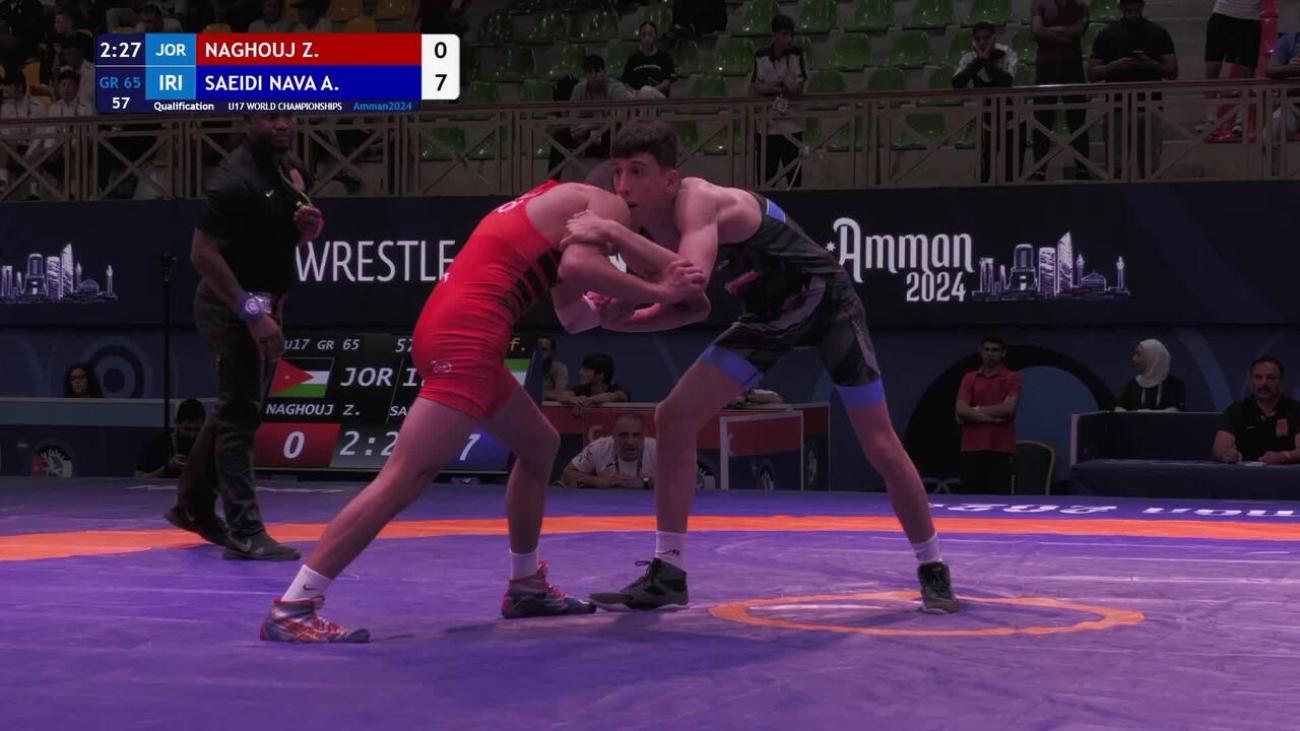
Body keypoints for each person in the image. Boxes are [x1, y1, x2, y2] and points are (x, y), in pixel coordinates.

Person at [260, 177, 708, 642]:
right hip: (467, 338)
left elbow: (574, 318)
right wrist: (660, 289)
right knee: (403, 479)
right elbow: (580, 265)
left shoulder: (549, 204)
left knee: (539, 445)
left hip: (454, 327)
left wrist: (623, 305)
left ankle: (526, 586)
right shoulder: (604, 203)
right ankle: (294, 606)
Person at [562, 119, 961, 614]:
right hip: (769, 319)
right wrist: (625, 318)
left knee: (880, 443)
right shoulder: (645, 233)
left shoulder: (696, 201)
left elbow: (691, 279)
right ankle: (669, 573)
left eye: (638, 171)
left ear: (669, 180)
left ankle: (933, 567)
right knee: (673, 417)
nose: (623, 185)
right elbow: (691, 309)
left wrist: (612, 233)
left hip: (828, 306)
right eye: (619, 171)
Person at [163, 113, 322, 560]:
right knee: (240, 414)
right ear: (248, 121)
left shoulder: (291, 170)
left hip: (268, 301)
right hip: (230, 305)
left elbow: (283, 240)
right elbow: (202, 255)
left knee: (237, 406)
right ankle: (245, 531)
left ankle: (191, 504)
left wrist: (306, 230)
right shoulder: (232, 181)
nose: (281, 125)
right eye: (270, 117)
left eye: (287, 116)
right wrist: (253, 315)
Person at [954, 337, 1021, 493]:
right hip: (971, 447)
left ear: (1003, 353)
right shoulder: (969, 378)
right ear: (981, 351)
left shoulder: (1012, 377)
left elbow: (1008, 409)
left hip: (1001, 448)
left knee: (999, 499)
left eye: (995, 350)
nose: (990, 353)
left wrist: (975, 410)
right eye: (987, 349)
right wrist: (994, 418)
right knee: (970, 498)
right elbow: (961, 410)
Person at [1212, 356, 1300, 465]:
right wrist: (1227, 454)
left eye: (1271, 378)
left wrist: (1285, 456)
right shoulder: (1236, 411)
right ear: (1250, 382)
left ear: (1281, 382)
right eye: (1258, 377)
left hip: (1286, 473)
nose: (1264, 383)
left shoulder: (1296, 410)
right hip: (1245, 474)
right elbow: (1219, 449)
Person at [562, 412, 657, 489]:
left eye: (636, 435)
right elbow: (567, 474)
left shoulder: (657, 449)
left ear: (644, 434)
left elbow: (667, 480)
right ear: (614, 435)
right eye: (623, 435)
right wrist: (598, 481)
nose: (630, 442)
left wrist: (645, 482)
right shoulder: (598, 447)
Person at [135, 399, 206, 479]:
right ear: (177, 423)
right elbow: (138, 478)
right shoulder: (158, 444)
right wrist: (168, 468)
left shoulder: (211, 444)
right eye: (187, 429)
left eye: (197, 429)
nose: (192, 435)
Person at [1115, 339, 1185, 411]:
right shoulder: (1132, 384)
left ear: (1153, 357)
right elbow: (1119, 408)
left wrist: (1146, 414)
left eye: (1139, 354)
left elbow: (1174, 411)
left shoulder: (1174, 385)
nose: (1134, 359)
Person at [536, 335, 569, 401]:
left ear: (552, 352)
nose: (540, 352)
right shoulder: (526, 368)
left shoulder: (560, 368)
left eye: (544, 349)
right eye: (538, 349)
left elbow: (560, 393)